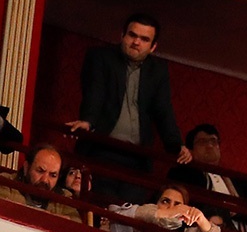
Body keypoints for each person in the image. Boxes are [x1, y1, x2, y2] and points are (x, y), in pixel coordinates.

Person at [67, 13, 189, 202]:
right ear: (122, 35)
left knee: (129, 211)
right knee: (100, 205)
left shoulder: (158, 70)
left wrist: (177, 145)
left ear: (153, 47)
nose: (136, 42)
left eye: (144, 39)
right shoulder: (101, 57)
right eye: (132, 35)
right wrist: (87, 121)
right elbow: (94, 93)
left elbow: (163, 110)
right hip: (102, 149)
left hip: (137, 158)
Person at [107, 174, 222, 232]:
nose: (171, 208)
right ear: (156, 204)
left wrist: (202, 220)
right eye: (165, 201)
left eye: (177, 205)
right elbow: (116, 217)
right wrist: (162, 213)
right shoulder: (141, 230)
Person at [185, 123, 247, 232]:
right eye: (202, 142)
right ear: (191, 150)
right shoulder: (185, 174)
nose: (209, 145)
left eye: (213, 141)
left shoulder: (236, 178)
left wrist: (236, 212)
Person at [0, 142, 83, 222]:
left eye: (53, 175)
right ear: (26, 168)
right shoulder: (7, 183)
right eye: (40, 171)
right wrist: (49, 219)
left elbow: (77, 223)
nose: (45, 180)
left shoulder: (63, 197)